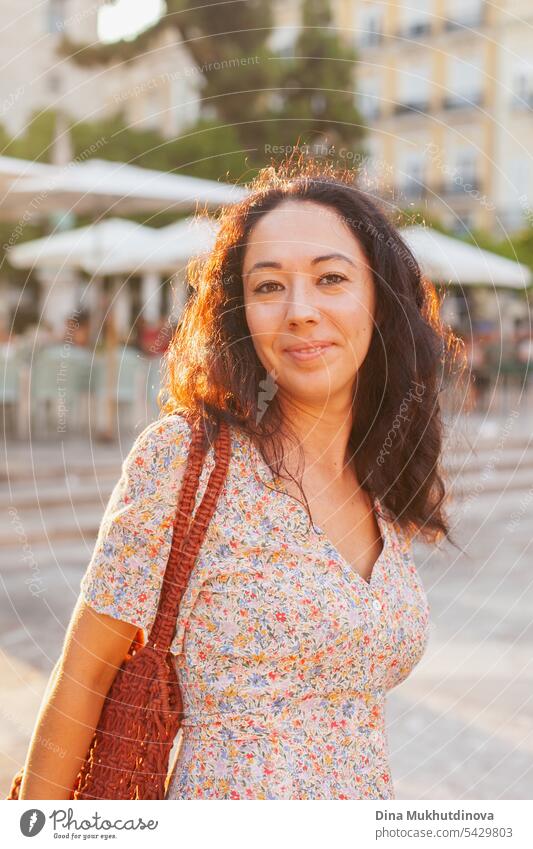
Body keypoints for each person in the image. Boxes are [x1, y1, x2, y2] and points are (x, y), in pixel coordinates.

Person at [18, 158, 457, 800]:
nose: (300, 311)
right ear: (241, 314)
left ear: (380, 302)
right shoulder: (187, 462)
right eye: (269, 286)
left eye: (331, 278)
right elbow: (81, 677)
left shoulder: (381, 484)